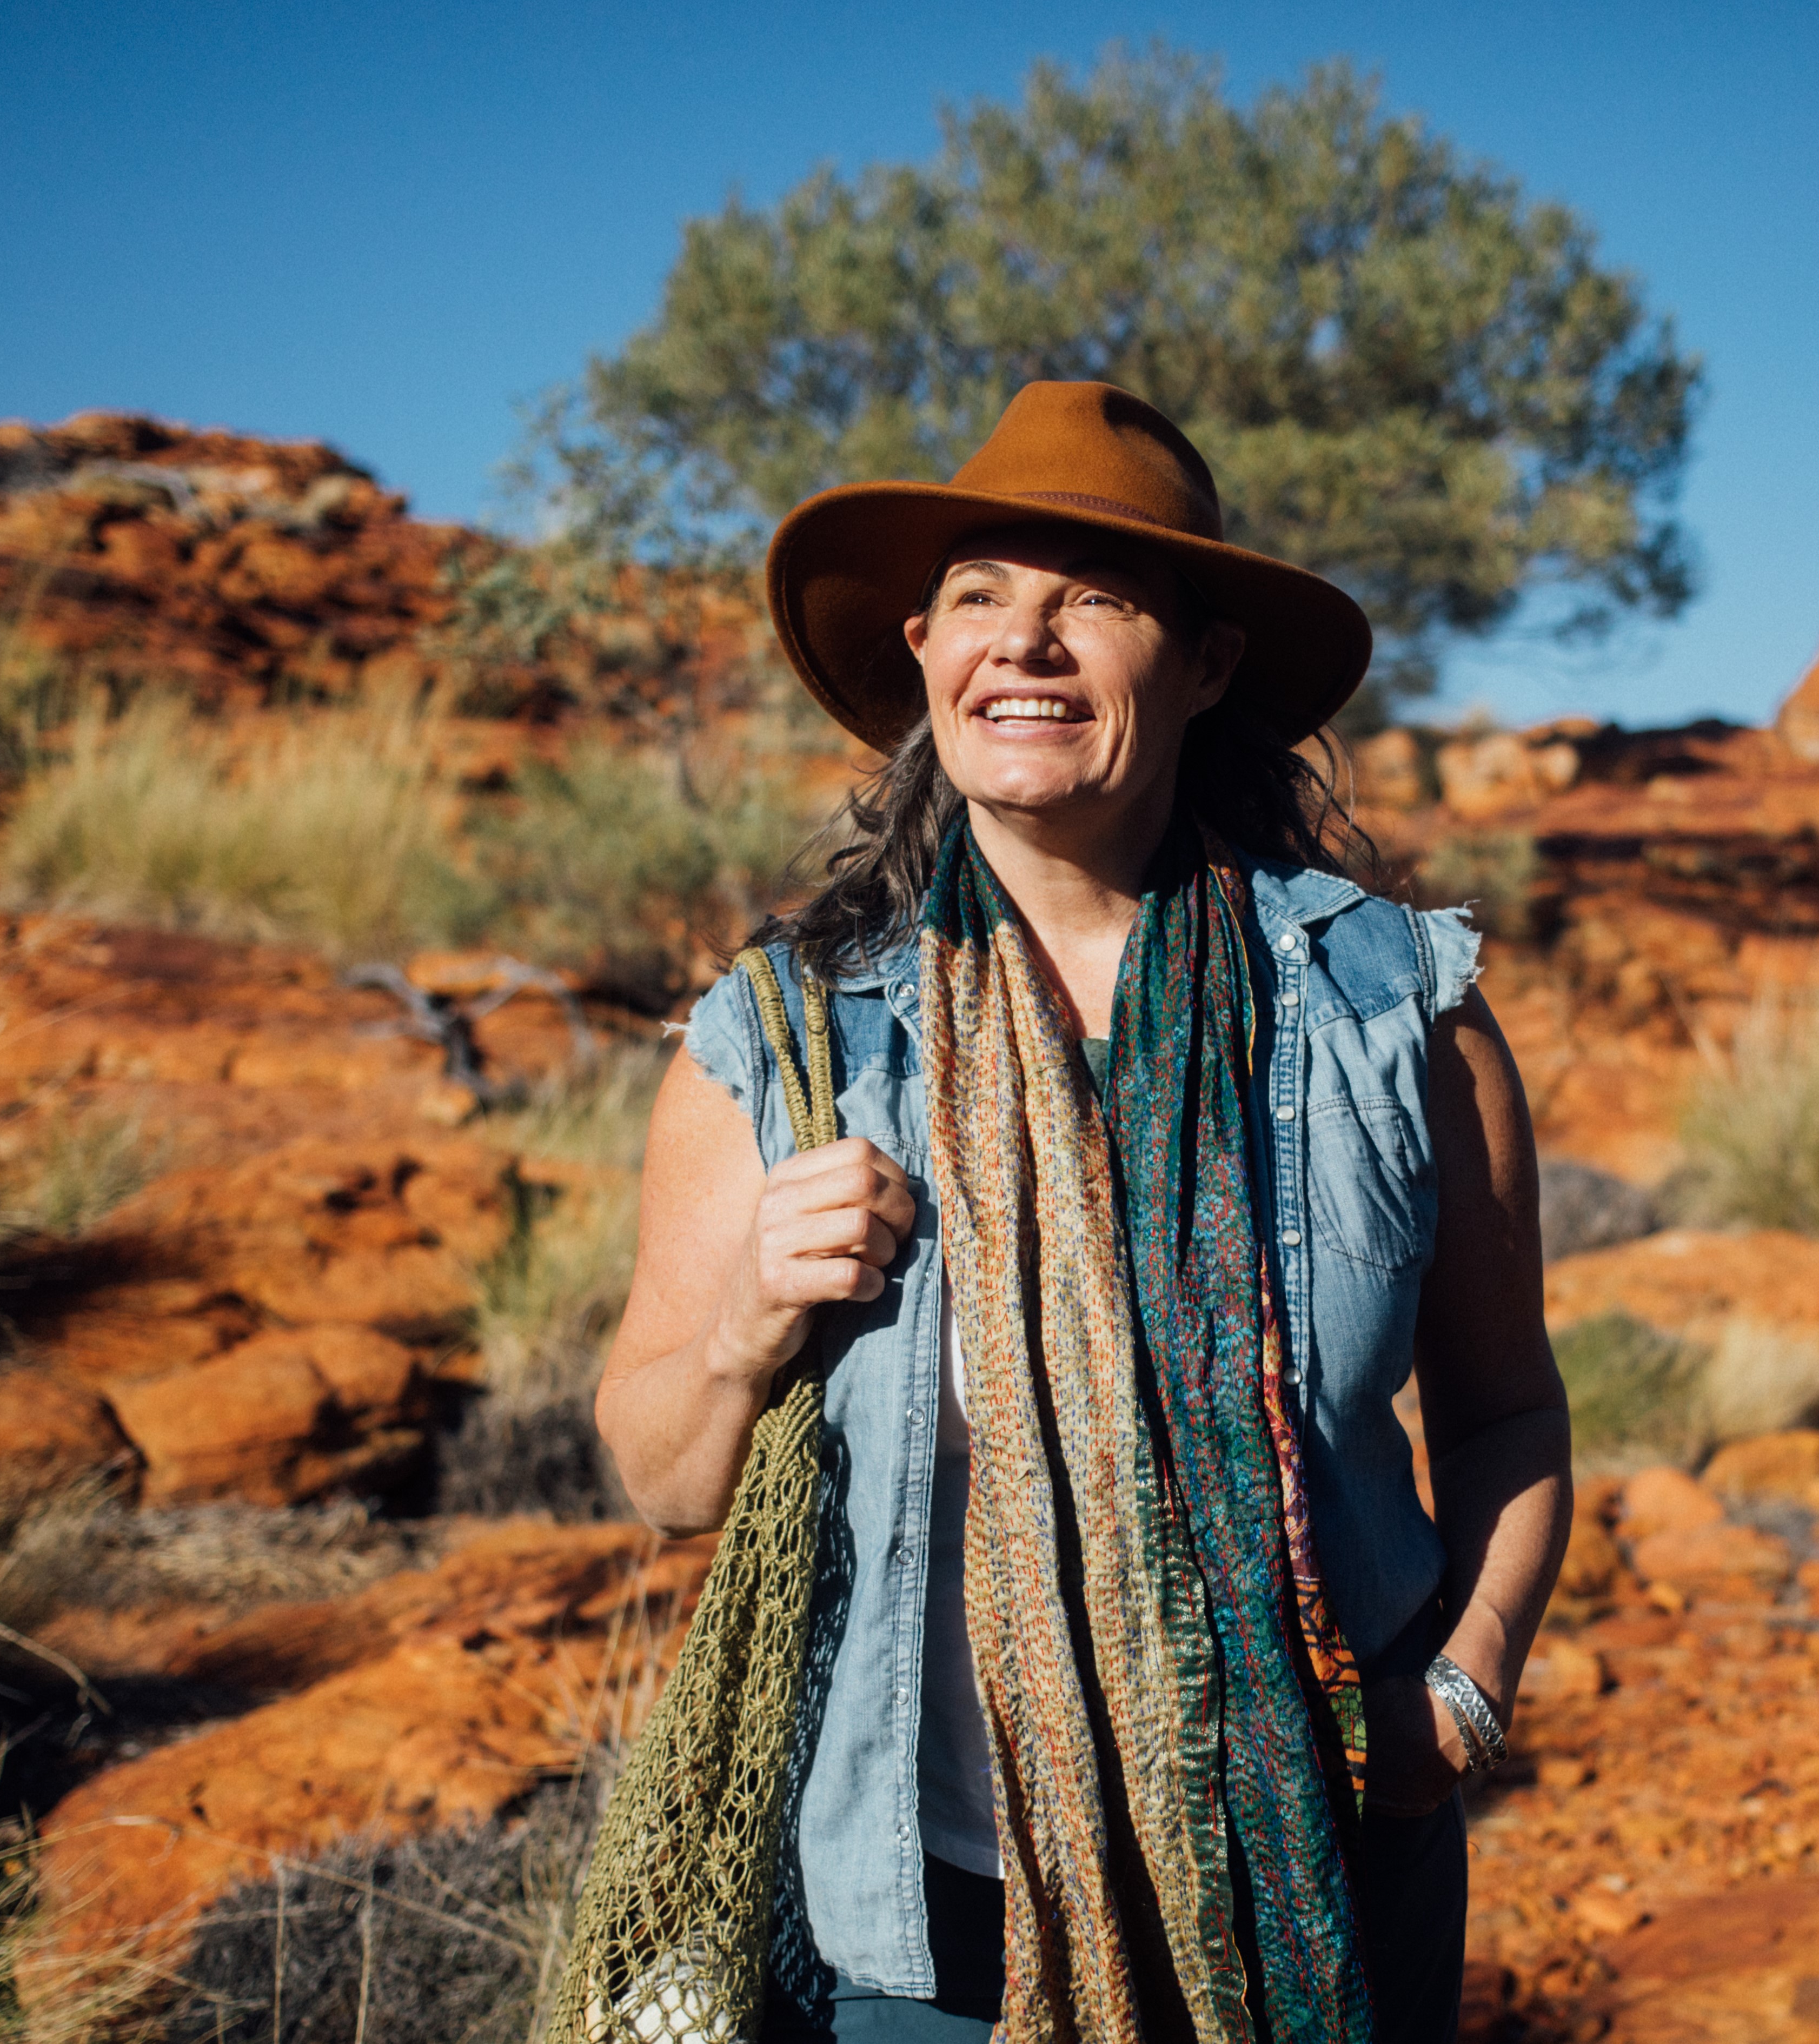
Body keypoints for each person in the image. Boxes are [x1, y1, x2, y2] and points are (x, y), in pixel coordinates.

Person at [595, 381, 1572, 2044]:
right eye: (982, 597)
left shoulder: (1391, 1015)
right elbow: (662, 1474)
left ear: (1204, 665)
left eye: (1093, 601)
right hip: (925, 1925)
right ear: (921, 650)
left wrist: (1465, 1687)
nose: (1025, 645)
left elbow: (1508, 1412)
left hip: (1326, 1878)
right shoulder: (791, 1045)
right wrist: (756, 1311)